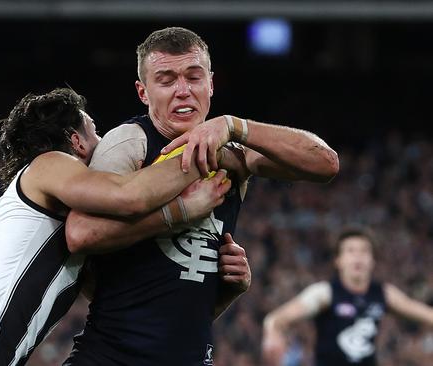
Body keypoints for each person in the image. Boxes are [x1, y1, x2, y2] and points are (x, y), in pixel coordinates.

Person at [63, 26, 340, 365]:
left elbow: (325, 164)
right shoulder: (130, 143)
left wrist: (236, 126)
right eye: (166, 80)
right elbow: (82, 233)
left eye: (193, 78)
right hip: (112, 356)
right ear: (143, 92)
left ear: (210, 83)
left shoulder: (235, 153)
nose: (183, 91)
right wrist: (178, 212)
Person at [0, 88, 233, 366]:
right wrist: (201, 159)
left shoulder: (59, 216)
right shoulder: (50, 164)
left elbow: (128, 301)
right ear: (76, 141)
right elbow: (128, 195)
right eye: (95, 131)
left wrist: (229, 289)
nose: (103, 141)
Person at [262, 227, 433, 366]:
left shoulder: (384, 293)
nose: (358, 256)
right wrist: (272, 333)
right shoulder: (324, 293)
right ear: (338, 260)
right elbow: (278, 318)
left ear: (372, 260)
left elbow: (426, 315)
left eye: (364, 251)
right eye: (350, 251)